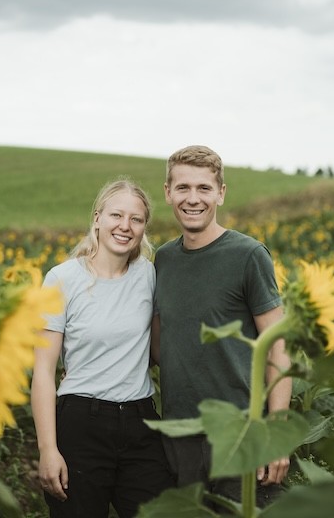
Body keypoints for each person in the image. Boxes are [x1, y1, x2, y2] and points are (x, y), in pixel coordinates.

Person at [152, 145, 292, 507]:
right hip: (180, 437)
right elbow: (159, 343)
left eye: (204, 188)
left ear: (221, 193)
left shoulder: (248, 255)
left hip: (239, 434)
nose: (193, 198)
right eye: (182, 188)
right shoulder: (163, 260)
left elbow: (278, 346)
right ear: (168, 192)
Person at [31, 178, 174, 518]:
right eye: (116, 215)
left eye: (136, 219)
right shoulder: (61, 279)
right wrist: (48, 449)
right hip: (81, 423)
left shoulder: (150, 276)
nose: (125, 226)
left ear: (143, 227)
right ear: (97, 218)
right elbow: (43, 372)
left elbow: (158, 351)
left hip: (141, 422)